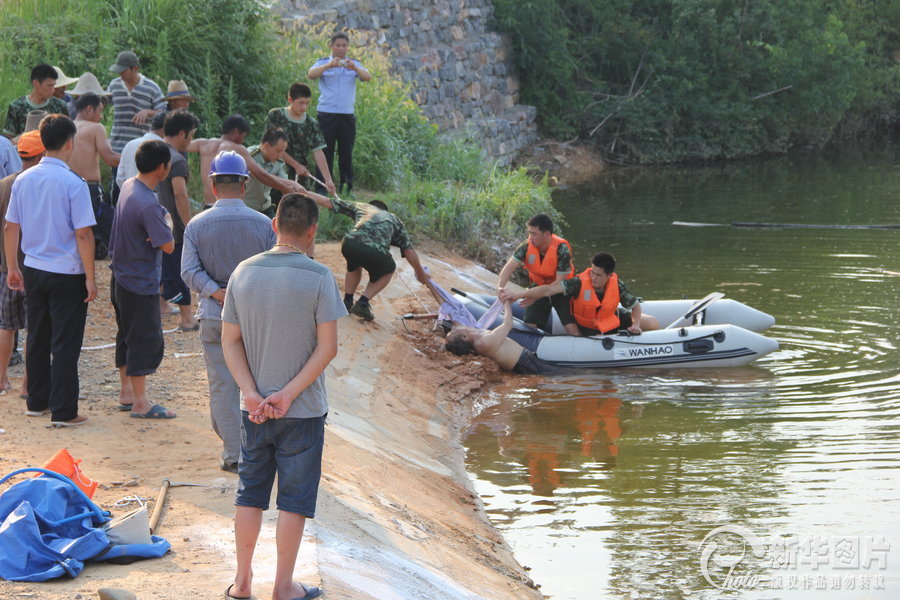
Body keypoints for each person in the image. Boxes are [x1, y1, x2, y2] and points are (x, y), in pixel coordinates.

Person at [221, 192, 344, 600]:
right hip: (303, 410)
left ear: (274, 225)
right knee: (294, 499)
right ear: (313, 231)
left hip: (253, 411)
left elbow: (230, 342)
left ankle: (241, 583)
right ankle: (283, 587)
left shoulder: (242, 273)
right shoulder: (319, 277)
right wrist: (288, 394)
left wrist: (251, 393)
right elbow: (328, 348)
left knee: (249, 493)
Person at [181, 150, 276, 472]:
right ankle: (260, 450)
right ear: (245, 185)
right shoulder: (264, 224)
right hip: (255, 316)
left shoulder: (197, 225)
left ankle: (233, 454)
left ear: (213, 185)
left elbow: (188, 271)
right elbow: (272, 269)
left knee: (223, 385)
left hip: (213, 314)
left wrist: (218, 292)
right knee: (259, 382)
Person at [4, 114, 97, 427]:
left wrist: (13, 267)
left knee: (38, 335)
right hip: (67, 271)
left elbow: (10, 227)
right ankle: (64, 411)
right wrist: (90, 277)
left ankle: (36, 401)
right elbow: (83, 234)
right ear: (69, 142)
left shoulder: (24, 180)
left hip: (33, 267)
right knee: (66, 341)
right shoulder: (74, 182)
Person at [108, 139, 176, 419]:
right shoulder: (147, 202)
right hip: (139, 280)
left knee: (125, 335)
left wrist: (162, 223)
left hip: (121, 276)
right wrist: (168, 223)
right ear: (161, 168)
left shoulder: (129, 187)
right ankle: (140, 402)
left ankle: (127, 393)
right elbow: (169, 244)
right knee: (143, 339)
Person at [309, 195, 427, 321]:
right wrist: (420, 272)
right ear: (385, 210)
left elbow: (328, 202)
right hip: (375, 252)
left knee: (354, 264)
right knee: (389, 268)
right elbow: (408, 250)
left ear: (371, 205)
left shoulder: (362, 206)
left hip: (350, 244)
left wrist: (303, 192)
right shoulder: (395, 219)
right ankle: (363, 302)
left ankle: (347, 301)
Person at [500, 252, 660, 336]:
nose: (593, 277)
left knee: (652, 323)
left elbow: (635, 306)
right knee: (597, 339)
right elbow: (549, 289)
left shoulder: (616, 284)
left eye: (598, 275)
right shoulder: (577, 283)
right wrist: (519, 294)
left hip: (610, 319)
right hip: (589, 327)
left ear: (609, 276)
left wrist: (636, 325)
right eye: (592, 272)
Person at [0, 130, 44, 397]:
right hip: (34, 266)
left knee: (6, 326)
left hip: (7, 267)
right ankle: (28, 383)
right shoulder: (39, 183)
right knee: (34, 328)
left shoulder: (5, 183)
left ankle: (1, 379)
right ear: (42, 154)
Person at [187, 114, 304, 207]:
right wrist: (286, 189)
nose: (242, 141)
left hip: (208, 206)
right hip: (226, 207)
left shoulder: (202, 144)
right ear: (236, 132)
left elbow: (177, 144)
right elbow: (260, 174)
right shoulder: (237, 149)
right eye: (243, 136)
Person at [307, 31, 371, 193]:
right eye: (338, 45)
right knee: (325, 151)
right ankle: (322, 187)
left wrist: (354, 67)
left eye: (344, 45)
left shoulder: (353, 64)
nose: (341, 48)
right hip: (326, 113)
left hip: (346, 114)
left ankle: (346, 186)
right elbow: (311, 74)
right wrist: (329, 65)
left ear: (348, 47)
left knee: (346, 151)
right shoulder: (323, 62)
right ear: (331, 46)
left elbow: (367, 77)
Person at [497, 213, 578, 335]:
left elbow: (556, 286)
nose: (530, 237)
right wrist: (500, 287)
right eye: (529, 233)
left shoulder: (562, 249)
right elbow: (509, 268)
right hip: (538, 285)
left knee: (570, 325)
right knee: (530, 322)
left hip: (560, 290)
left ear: (546, 234)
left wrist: (533, 296)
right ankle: (532, 348)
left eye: (534, 234)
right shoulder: (526, 246)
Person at [107, 51, 166, 202]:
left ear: (135, 68)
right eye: (118, 70)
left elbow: (163, 112)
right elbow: (101, 104)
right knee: (119, 188)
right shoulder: (113, 86)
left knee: (144, 188)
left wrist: (148, 112)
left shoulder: (151, 87)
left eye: (123, 70)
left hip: (143, 147)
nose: (120, 74)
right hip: (118, 146)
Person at [158, 109, 198, 331]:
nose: (191, 139)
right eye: (191, 134)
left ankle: (159, 308)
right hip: (173, 227)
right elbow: (180, 194)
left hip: (155, 223)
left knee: (160, 269)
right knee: (180, 271)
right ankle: (188, 319)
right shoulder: (177, 160)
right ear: (182, 134)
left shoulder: (155, 151)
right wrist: (189, 224)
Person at [445, 299, 561, 375]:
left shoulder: (469, 334)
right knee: (560, 373)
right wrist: (506, 303)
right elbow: (508, 324)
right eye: (453, 331)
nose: (454, 328)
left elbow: (454, 318)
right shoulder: (484, 342)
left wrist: (428, 281)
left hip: (527, 356)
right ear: (464, 337)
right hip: (524, 363)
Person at [71, 93, 120, 258]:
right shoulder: (95, 128)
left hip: (68, 187)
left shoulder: (65, 127)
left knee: (78, 235)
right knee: (117, 234)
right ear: (89, 109)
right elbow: (110, 159)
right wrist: (133, 156)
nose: (100, 117)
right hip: (90, 190)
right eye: (99, 112)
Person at [264, 83, 335, 194]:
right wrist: (296, 165)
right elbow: (271, 147)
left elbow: (318, 152)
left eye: (307, 103)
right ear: (290, 100)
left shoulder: (311, 124)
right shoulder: (275, 116)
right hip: (275, 170)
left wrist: (328, 180)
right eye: (301, 103)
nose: (304, 107)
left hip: (300, 174)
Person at [4, 64, 69, 139]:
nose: (53, 90)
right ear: (36, 83)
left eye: (53, 85)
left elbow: (67, 136)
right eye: (49, 86)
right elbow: (9, 140)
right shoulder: (16, 107)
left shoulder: (60, 106)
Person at [244, 128, 289, 217]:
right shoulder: (249, 156)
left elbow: (284, 182)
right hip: (247, 208)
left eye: (282, 152)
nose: (280, 155)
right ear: (267, 146)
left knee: (275, 230)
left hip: (266, 207)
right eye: (278, 151)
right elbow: (262, 176)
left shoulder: (278, 161)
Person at [116, 111, 166, 189]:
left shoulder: (130, 144)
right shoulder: (165, 149)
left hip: (129, 196)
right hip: (153, 199)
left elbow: (120, 179)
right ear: (165, 128)